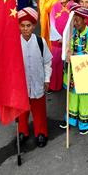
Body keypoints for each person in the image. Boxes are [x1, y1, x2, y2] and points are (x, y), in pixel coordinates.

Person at [61, 5, 88, 135]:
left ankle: (85, 123)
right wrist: (68, 55)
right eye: (73, 20)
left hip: (85, 71)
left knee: (85, 98)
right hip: (73, 71)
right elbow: (68, 47)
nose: (75, 23)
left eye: (77, 20)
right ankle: (70, 120)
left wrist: (74, 55)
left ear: (85, 20)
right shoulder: (72, 33)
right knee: (72, 96)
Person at [17, 8, 52, 148]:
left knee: (39, 109)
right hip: (21, 84)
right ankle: (22, 132)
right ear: (19, 26)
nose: (25, 29)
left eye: (28, 25)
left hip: (38, 81)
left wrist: (47, 79)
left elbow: (47, 62)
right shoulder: (15, 43)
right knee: (21, 109)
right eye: (22, 25)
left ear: (33, 26)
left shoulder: (40, 42)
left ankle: (41, 132)